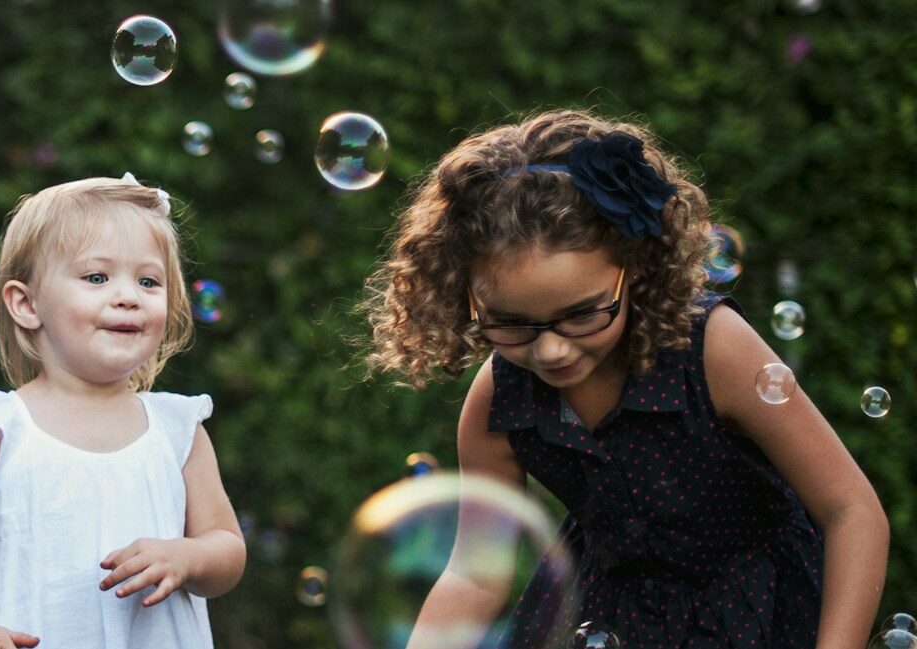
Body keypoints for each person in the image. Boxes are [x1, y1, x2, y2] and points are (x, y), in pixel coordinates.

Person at [359, 109, 888, 647]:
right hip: (606, 624)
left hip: (760, 613)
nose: (550, 348)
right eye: (512, 322)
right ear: (465, 295)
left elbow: (852, 510)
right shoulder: (501, 401)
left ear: (634, 268)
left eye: (584, 313)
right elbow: (475, 574)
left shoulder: (712, 351)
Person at [0, 176, 245, 649]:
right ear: (26, 304)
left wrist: (188, 557)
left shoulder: (177, 431)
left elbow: (227, 547)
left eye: (148, 281)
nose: (128, 295)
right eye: (96, 277)